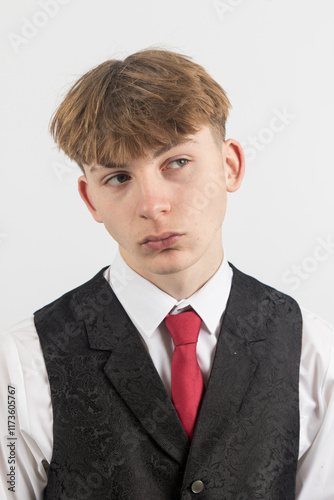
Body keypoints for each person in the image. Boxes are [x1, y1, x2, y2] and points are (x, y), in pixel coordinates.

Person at [0, 48, 333, 500]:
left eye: (176, 162)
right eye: (118, 177)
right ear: (90, 199)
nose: (152, 205)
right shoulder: (23, 363)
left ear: (230, 165)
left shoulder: (311, 349)